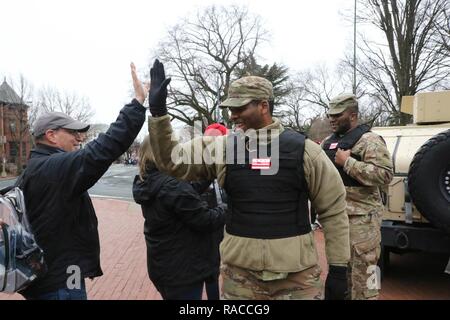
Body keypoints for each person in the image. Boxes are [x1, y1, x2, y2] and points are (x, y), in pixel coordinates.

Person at [147, 64, 351, 300]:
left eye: (240, 108)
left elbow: (334, 210)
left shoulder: (305, 152)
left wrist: (338, 268)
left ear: (264, 106)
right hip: (240, 280)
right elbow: (172, 162)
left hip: (297, 280)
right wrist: (159, 113)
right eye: (230, 108)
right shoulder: (224, 148)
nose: (232, 115)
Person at [17, 61, 154, 300]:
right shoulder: (55, 167)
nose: (79, 137)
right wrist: (136, 104)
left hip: (44, 277)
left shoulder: (34, 167)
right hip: (61, 282)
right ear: (51, 135)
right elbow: (103, 149)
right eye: (72, 132)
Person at [132, 136, 227, 300]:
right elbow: (205, 220)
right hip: (183, 271)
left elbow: (184, 195)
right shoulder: (172, 186)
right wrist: (227, 207)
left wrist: (208, 174)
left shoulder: (147, 180)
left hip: (162, 266)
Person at [321, 94, 394, 300]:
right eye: (330, 114)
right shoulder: (328, 142)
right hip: (337, 220)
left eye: (337, 114)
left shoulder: (370, 140)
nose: (331, 119)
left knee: (367, 276)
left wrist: (348, 163)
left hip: (363, 221)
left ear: (353, 115)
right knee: (341, 276)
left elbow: (385, 174)